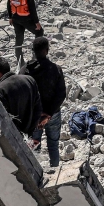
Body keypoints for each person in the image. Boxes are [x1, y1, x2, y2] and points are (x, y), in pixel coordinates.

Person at [20, 37, 66, 166]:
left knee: (33, 144)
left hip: (33, 117)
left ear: (32, 50)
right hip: (53, 115)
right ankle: (56, 172)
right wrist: (48, 114)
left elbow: (22, 95)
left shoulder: (25, 71)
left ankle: (35, 174)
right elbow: (61, 94)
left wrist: (36, 114)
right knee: (53, 145)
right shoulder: (56, 69)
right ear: (46, 50)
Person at [0, 55, 45, 137]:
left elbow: (5, 119)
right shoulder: (29, 80)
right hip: (30, 133)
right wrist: (30, 132)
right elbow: (38, 108)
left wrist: (19, 136)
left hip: (15, 139)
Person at [7, 0, 42, 66]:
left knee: (19, 39)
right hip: (26, 17)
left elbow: (8, 2)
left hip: (15, 17)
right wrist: (36, 22)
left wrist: (10, 17)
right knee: (39, 32)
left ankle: (20, 61)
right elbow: (32, 7)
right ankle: (36, 55)